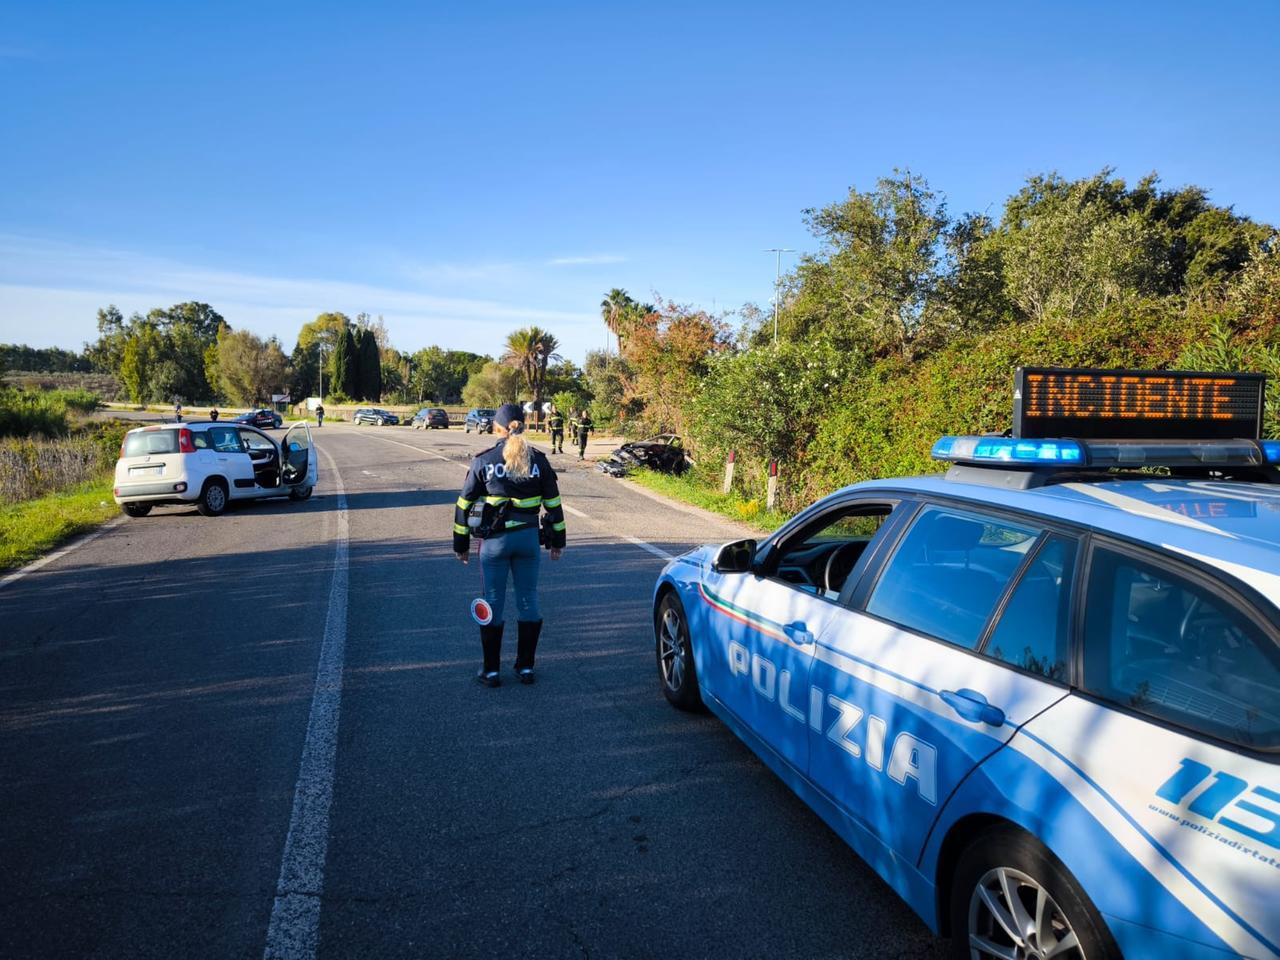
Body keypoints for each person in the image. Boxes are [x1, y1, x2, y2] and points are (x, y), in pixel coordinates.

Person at [453, 402, 566, 687]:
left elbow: (463, 505)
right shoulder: (539, 461)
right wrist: (557, 542)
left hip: (495, 544)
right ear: (524, 425)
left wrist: (461, 544)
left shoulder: (484, 460)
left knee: (493, 601)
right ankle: (526, 668)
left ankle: (491, 672)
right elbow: (553, 505)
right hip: (528, 541)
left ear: (499, 428)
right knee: (528, 600)